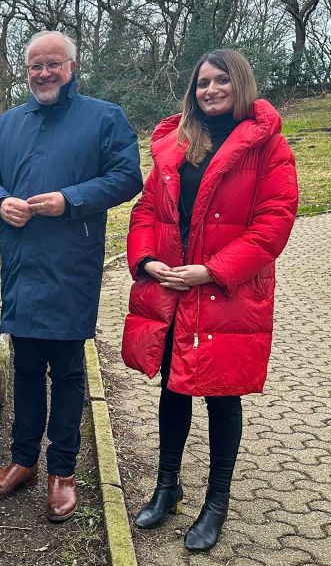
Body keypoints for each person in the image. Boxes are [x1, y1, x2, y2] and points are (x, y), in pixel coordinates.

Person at [120, 49, 298, 551]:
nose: (211, 90)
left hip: (226, 293)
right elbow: (147, 210)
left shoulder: (268, 148)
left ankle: (215, 502)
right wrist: (147, 261)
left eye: (221, 81)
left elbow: (273, 225)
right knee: (174, 388)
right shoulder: (177, 145)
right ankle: (167, 485)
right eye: (202, 83)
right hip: (175, 288)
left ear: (239, 83)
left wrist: (212, 271)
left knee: (222, 396)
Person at [0, 30, 142, 522]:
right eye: (35, 67)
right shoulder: (7, 124)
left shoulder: (103, 117)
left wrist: (71, 199)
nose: (43, 74)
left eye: (53, 65)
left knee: (67, 373)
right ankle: (23, 460)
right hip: (23, 263)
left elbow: (128, 177)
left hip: (71, 265)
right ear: (26, 71)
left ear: (71, 67)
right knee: (25, 369)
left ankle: (62, 471)